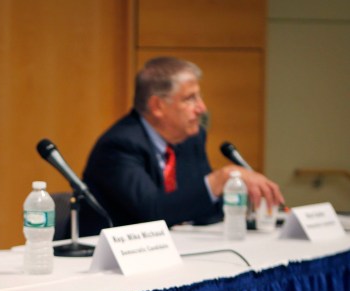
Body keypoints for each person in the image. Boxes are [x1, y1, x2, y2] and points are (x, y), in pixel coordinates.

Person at [79, 56, 284, 234]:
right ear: (157, 106)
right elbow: (152, 212)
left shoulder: (190, 138)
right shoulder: (119, 145)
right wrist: (219, 180)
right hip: (112, 262)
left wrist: (242, 200)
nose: (201, 108)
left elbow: (202, 207)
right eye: (190, 99)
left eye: (199, 97)